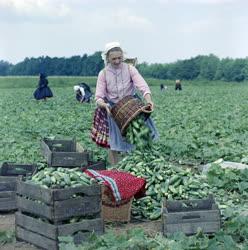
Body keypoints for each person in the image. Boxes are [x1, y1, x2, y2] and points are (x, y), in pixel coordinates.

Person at [91, 41, 158, 165]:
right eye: (113, 59)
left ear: (123, 56)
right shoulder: (103, 74)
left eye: (119, 58)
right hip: (113, 109)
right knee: (114, 142)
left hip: (131, 106)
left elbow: (143, 86)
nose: (117, 61)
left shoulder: (130, 69)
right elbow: (98, 97)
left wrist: (149, 100)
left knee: (137, 137)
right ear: (107, 58)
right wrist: (104, 104)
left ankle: (136, 164)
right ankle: (116, 168)